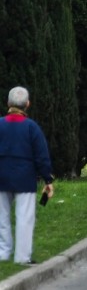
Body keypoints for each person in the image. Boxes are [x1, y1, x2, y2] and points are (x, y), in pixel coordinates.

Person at [0, 87, 54, 265]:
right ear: (27, 104)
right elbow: (41, 156)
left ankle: (3, 253)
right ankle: (22, 257)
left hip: (1, 177)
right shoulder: (32, 127)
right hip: (24, 179)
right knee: (24, 218)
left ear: (8, 103)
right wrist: (48, 179)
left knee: (2, 218)